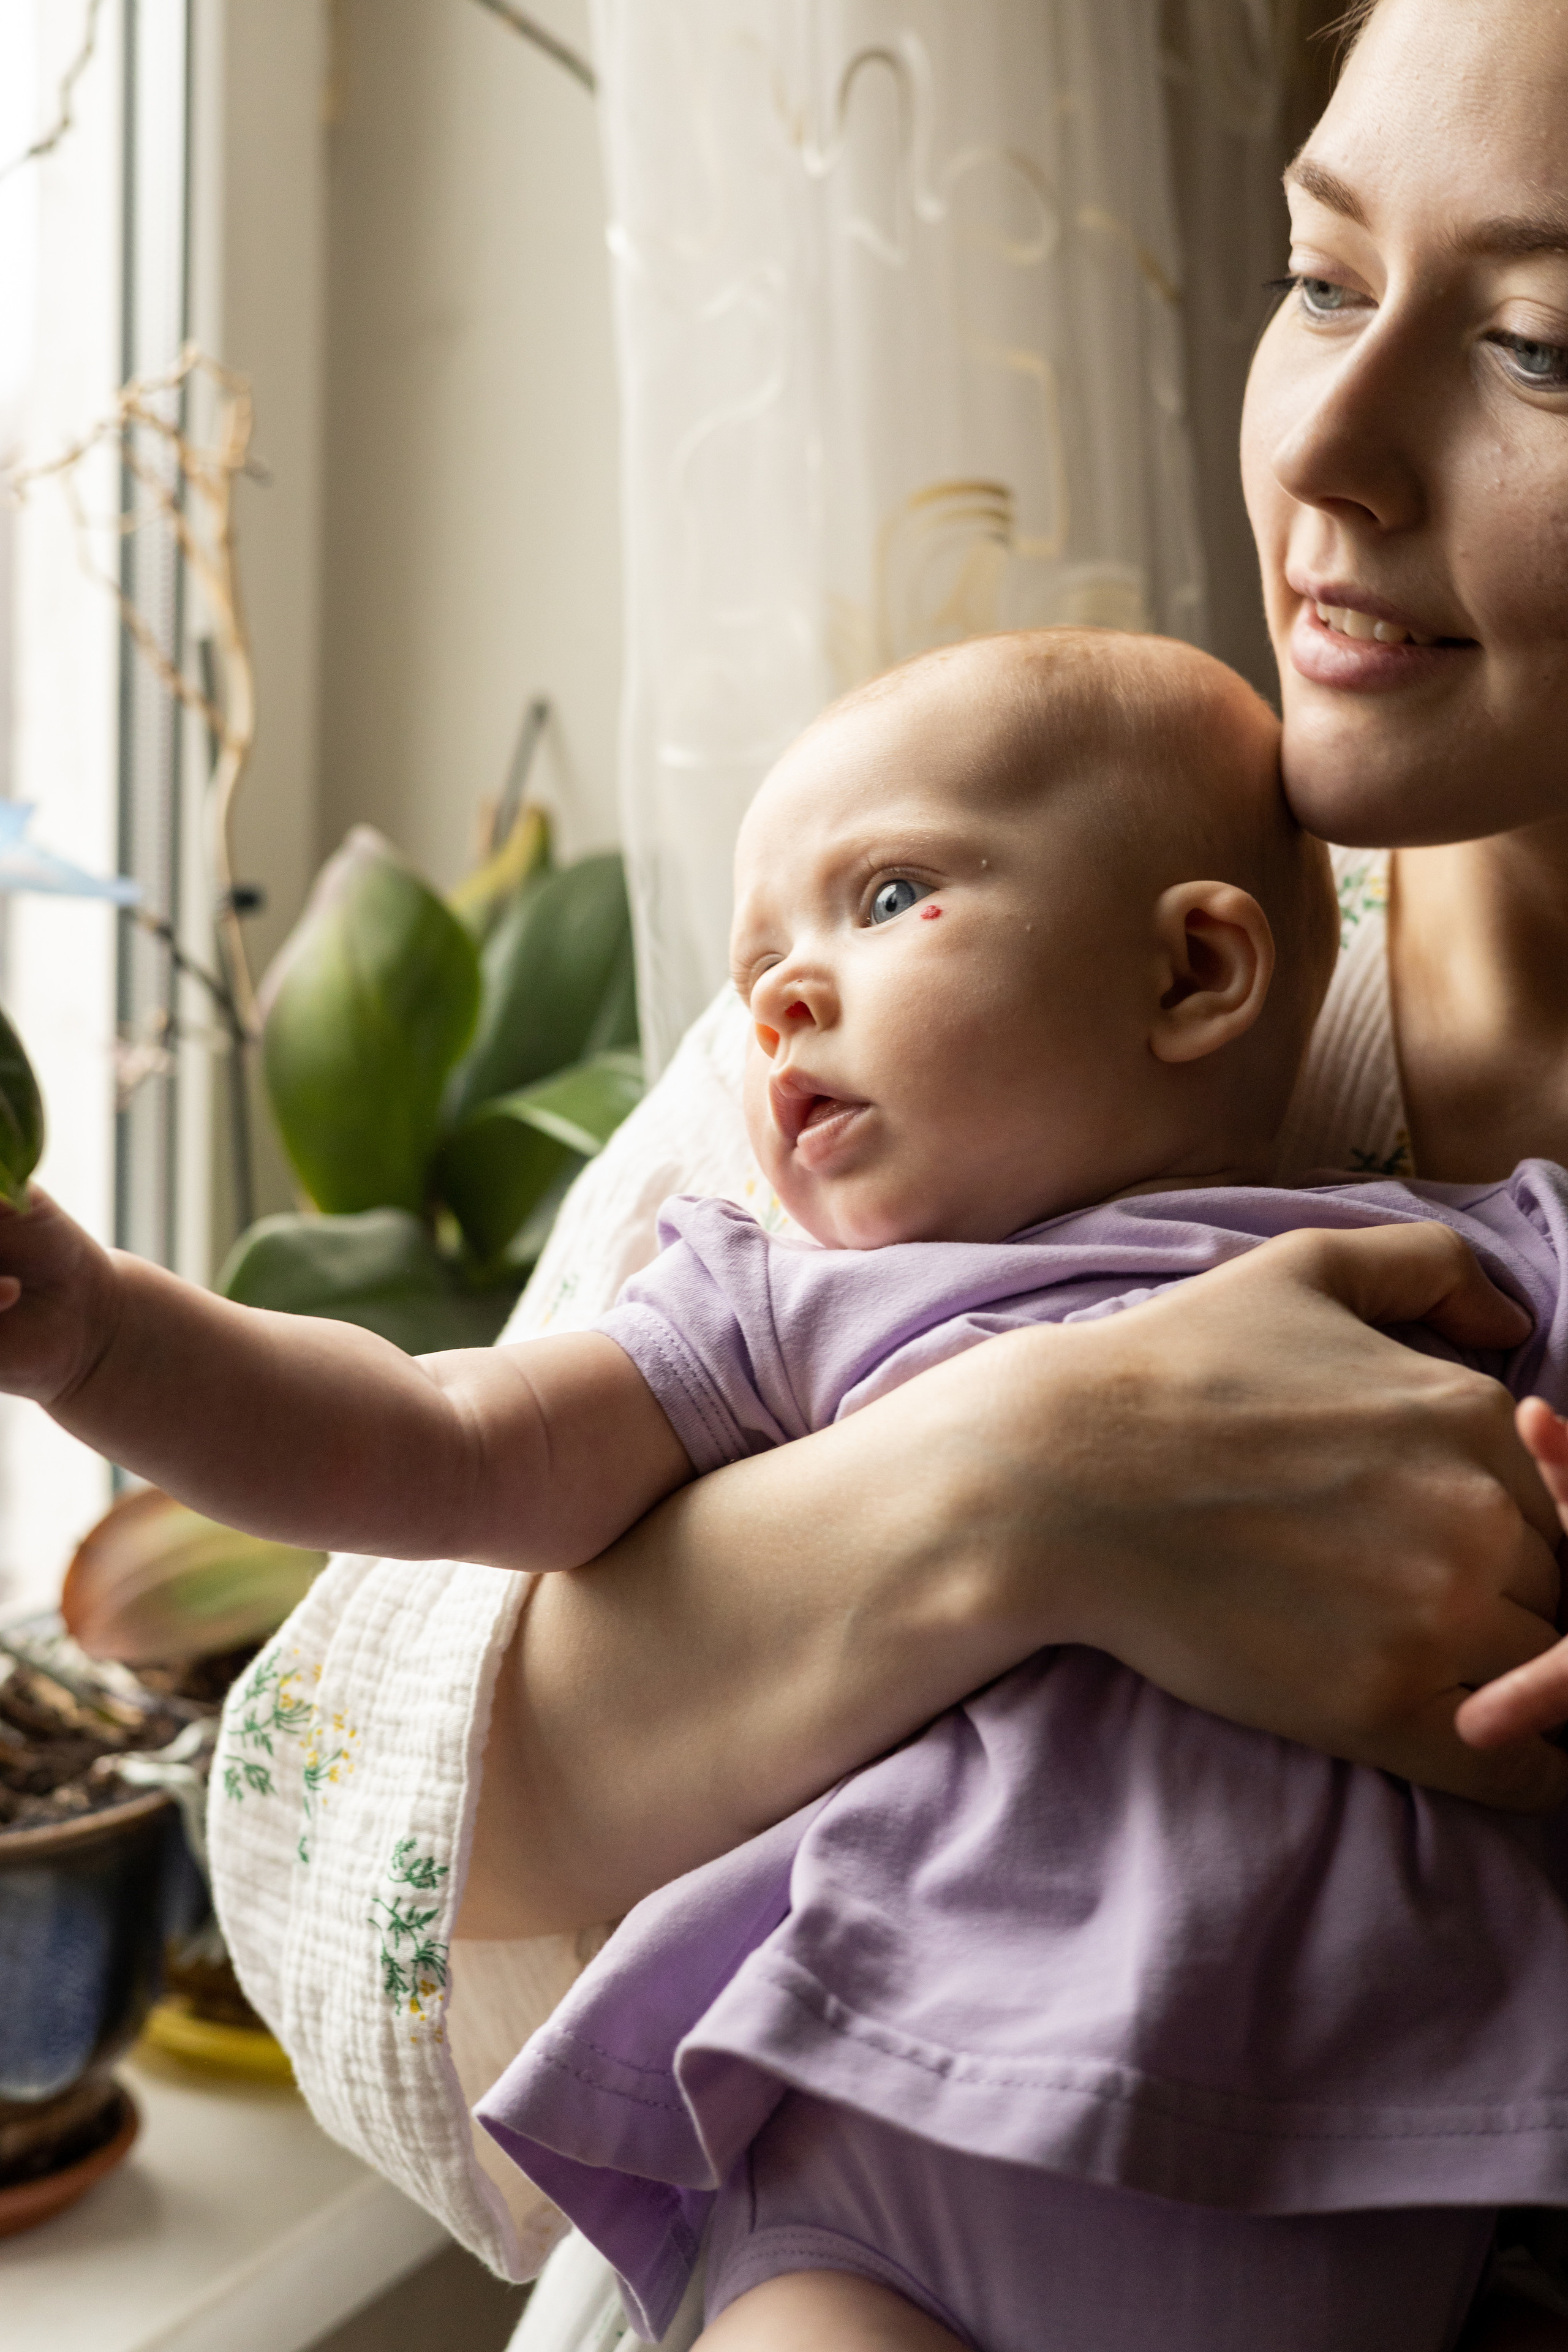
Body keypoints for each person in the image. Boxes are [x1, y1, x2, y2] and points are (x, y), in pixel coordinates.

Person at [196, 0, 1568, 2343]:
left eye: (1546, 346)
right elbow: (339, 1856)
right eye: (1322, 275)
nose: (1328, 440)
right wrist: (1039, 1478)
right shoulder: (973, 986)